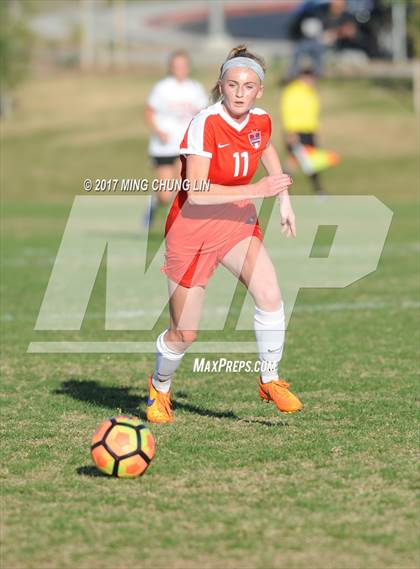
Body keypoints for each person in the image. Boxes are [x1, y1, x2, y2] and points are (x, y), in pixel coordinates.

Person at [146, 45, 303, 424]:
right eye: (232, 84)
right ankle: (160, 387)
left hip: (235, 220)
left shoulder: (261, 120)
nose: (239, 92)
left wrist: (282, 198)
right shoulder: (205, 122)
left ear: (259, 91)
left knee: (270, 293)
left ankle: (270, 378)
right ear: (221, 85)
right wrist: (259, 191)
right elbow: (197, 194)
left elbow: (264, 148)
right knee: (185, 333)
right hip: (192, 228)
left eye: (248, 86)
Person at [144, 50, 208, 228]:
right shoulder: (162, 88)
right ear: (171, 67)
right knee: (165, 194)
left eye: (183, 65)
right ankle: (153, 204)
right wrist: (159, 131)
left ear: (188, 68)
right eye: (176, 65)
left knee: (181, 189)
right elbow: (148, 113)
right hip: (163, 146)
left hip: (185, 147)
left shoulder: (195, 88)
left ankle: (179, 228)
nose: (180, 69)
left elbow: (203, 115)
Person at [280, 67, 326, 195]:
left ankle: (318, 190)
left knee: (311, 162)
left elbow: (312, 114)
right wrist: (290, 132)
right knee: (293, 161)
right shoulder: (293, 91)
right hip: (296, 132)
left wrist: (315, 132)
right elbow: (288, 112)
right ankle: (283, 189)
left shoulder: (311, 92)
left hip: (309, 131)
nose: (313, 81)